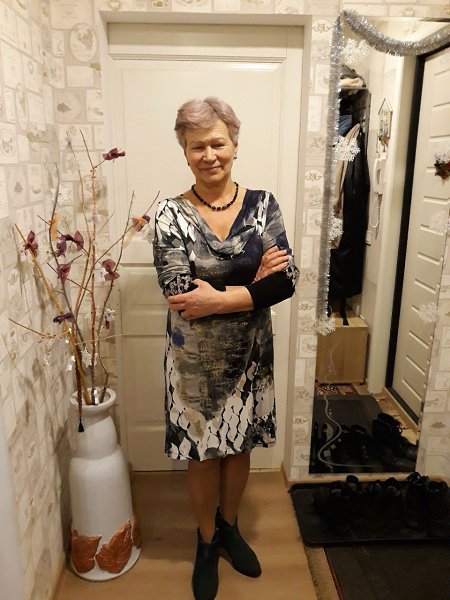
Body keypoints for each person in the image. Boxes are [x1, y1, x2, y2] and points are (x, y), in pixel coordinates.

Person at [153, 96, 298, 600]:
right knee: (201, 452)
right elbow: (179, 293)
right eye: (197, 146)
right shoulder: (169, 214)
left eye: (217, 143)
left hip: (252, 358)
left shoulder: (264, 205)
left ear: (234, 144)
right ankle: (206, 539)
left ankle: (231, 527)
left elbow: (287, 281)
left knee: (239, 446)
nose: (209, 154)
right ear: (185, 151)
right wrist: (253, 285)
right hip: (193, 363)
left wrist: (218, 297)